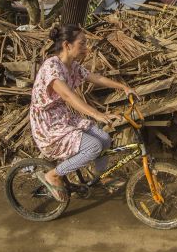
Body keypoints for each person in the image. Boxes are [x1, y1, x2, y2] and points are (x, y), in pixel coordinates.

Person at [30, 24, 137, 202]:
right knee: (93, 146)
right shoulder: (52, 67)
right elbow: (68, 96)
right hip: (48, 125)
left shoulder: (72, 66)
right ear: (67, 45)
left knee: (104, 138)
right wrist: (96, 114)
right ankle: (53, 175)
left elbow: (95, 77)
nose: (86, 47)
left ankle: (102, 176)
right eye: (82, 43)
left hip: (63, 117)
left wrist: (123, 87)